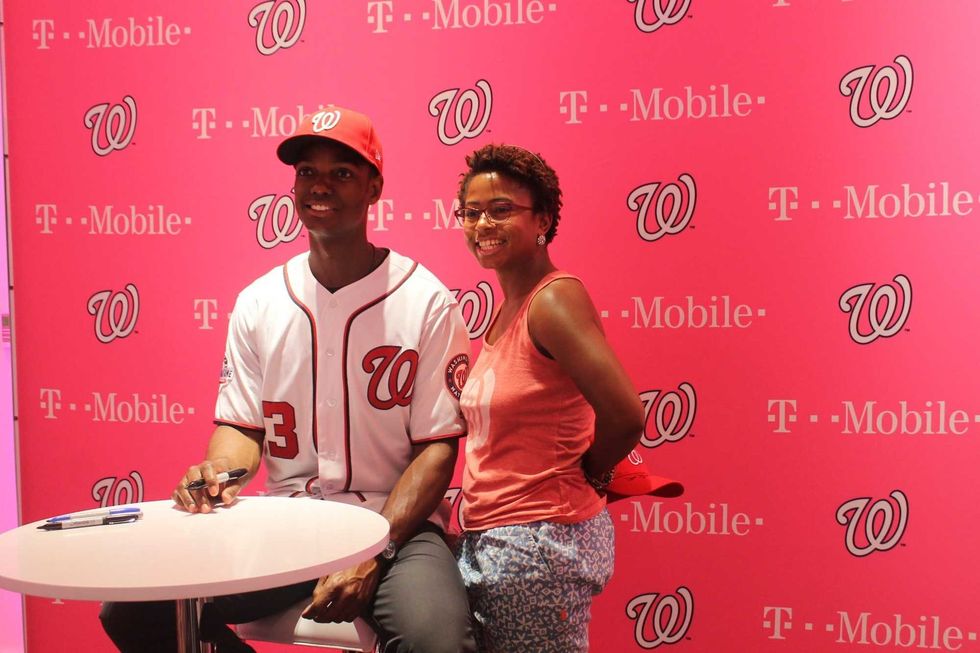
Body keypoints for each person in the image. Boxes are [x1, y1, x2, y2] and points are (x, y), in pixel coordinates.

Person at [100, 105, 476, 653]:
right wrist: (218, 474)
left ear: (375, 189)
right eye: (307, 172)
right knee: (133, 609)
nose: (320, 185)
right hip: (287, 524)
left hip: (394, 526)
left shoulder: (426, 301)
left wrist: (374, 550)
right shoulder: (259, 301)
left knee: (439, 643)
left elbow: (438, 449)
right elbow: (243, 429)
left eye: (342, 173)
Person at [453, 144, 656, 653]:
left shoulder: (554, 299)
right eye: (471, 212)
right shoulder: (510, 309)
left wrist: (593, 470)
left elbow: (626, 414)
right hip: (500, 541)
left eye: (502, 210)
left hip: (538, 546)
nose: (483, 225)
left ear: (542, 218)